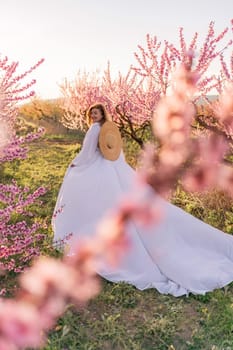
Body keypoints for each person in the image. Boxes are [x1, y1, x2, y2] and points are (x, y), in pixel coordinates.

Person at [52, 103, 233, 297]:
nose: (94, 115)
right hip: (112, 167)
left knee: (96, 202)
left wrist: (76, 164)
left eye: (97, 112)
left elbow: (87, 153)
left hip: (97, 168)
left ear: (101, 114)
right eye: (92, 113)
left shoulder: (95, 129)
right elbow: (116, 153)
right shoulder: (109, 129)